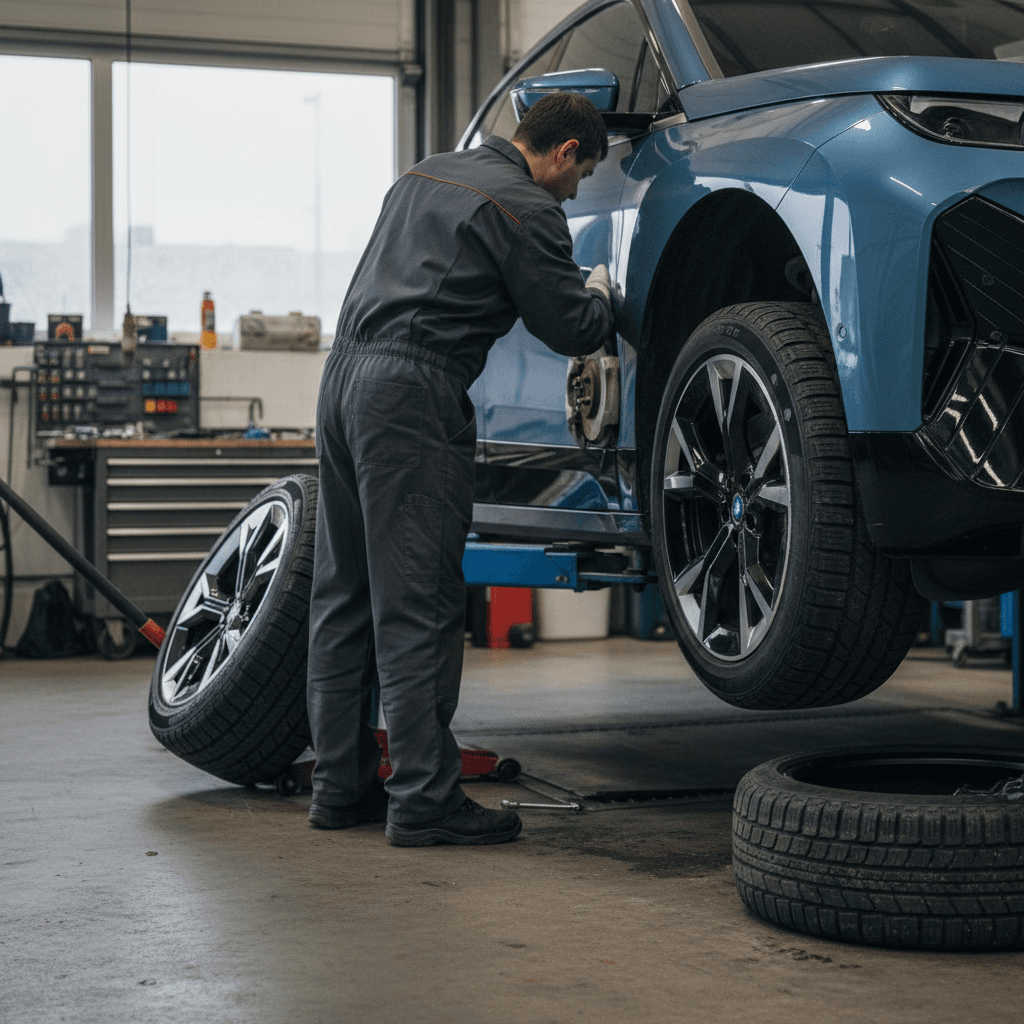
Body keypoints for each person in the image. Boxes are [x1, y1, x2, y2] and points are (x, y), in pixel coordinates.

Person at [306, 92, 614, 847]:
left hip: (341, 382)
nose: (573, 195)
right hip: (412, 394)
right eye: (580, 178)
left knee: (343, 595)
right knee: (419, 603)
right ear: (566, 151)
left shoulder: (420, 175)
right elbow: (569, 324)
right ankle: (422, 800)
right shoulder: (526, 208)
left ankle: (338, 786)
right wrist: (602, 292)